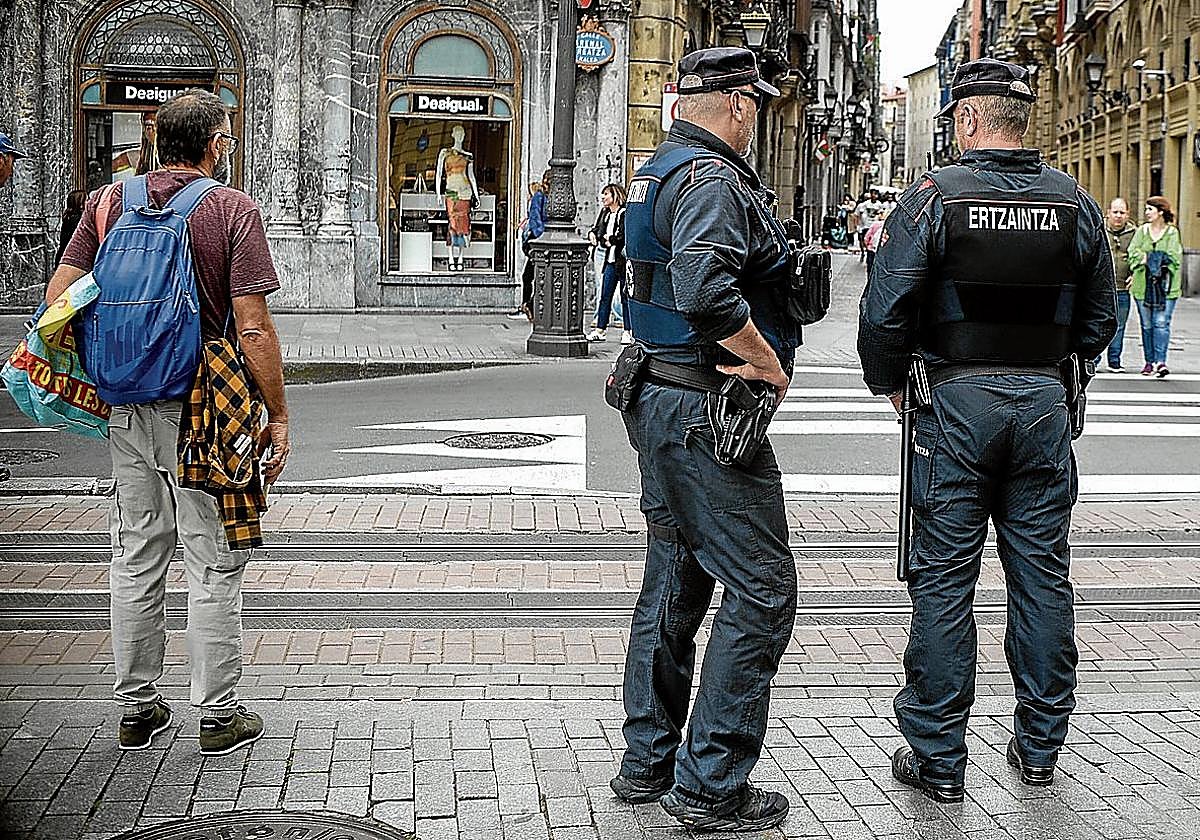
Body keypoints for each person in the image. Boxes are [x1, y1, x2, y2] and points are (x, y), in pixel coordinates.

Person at [857, 58, 1116, 803]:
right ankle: (1039, 746)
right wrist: (1058, 370)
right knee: (1042, 575)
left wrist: (892, 385)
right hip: (1041, 408)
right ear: (1020, 119)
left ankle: (938, 758)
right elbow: (1099, 318)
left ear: (968, 118)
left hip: (956, 407)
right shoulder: (1075, 203)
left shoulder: (934, 197)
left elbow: (884, 311)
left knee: (943, 581)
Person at [45, 89, 290, 756]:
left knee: (136, 553)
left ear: (159, 145)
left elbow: (58, 299)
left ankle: (137, 707)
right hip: (205, 407)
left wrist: (113, 355)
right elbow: (254, 329)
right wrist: (278, 414)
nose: (228, 148)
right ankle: (218, 712)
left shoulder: (106, 203)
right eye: (227, 139)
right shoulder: (232, 210)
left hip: (128, 406)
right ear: (214, 146)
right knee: (210, 559)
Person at [612, 46, 800, 833]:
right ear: (739, 105)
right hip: (704, 408)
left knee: (677, 578)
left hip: (660, 396)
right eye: (755, 104)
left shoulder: (660, 169)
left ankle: (648, 761)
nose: (756, 116)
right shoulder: (714, 179)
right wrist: (768, 365)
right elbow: (704, 288)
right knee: (762, 587)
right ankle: (711, 783)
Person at [1129, 196, 1184, 379]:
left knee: (1161, 323)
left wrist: (1149, 258)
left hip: (1166, 288)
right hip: (1142, 287)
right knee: (1146, 325)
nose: (1147, 213)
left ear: (1160, 212)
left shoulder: (1172, 233)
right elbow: (1133, 253)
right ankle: (1148, 361)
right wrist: (1154, 258)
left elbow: (1174, 258)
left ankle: (1160, 362)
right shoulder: (1141, 232)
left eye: (1150, 209)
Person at [587, 183, 629, 343]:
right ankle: (600, 329)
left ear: (615, 196)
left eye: (606, 194)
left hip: (622, 261)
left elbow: (624, 236)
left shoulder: (624, 213)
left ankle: (628, 331)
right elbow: (598, 230)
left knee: (625, 296)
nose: (603, 197)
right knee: (605, 295)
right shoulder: (605, 213)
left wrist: (611, 240)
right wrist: (593, 234)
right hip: (609, 261)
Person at [1099, 198, 1137, 372]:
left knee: (1119, 326)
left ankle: (1114, 361)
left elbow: (1140, 255)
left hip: (1122, 289)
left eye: (1122, 212)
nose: (1118, 216)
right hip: (1100, 290)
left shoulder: (1135, 233)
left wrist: (1135, 274)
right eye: (1115, 212)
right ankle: (1095, 360)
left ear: (1127, 214)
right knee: (1097, 325)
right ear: (1108, 213)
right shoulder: (1099, 230)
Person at [509, 172, 548, 321]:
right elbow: (535, 217)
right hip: (540, 241)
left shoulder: (540, 196)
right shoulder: (543, 197)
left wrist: (540, 236)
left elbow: (535, 218)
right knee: (530, 275)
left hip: (540, 241)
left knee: (532, 276)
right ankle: (528, 305)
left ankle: (528, 305)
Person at [53, 190, 86, 267]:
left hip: (64, 256)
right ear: (80, 203)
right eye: (86, 200)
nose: (89, 202)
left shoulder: (69, 217)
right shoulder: (77, 219)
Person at [862, 206, 889, 277]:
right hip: (883, 251)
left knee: (870, 269)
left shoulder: (875, 224)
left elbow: (866, 237)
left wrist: (867, 246)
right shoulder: (889, 225)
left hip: (872, 250)